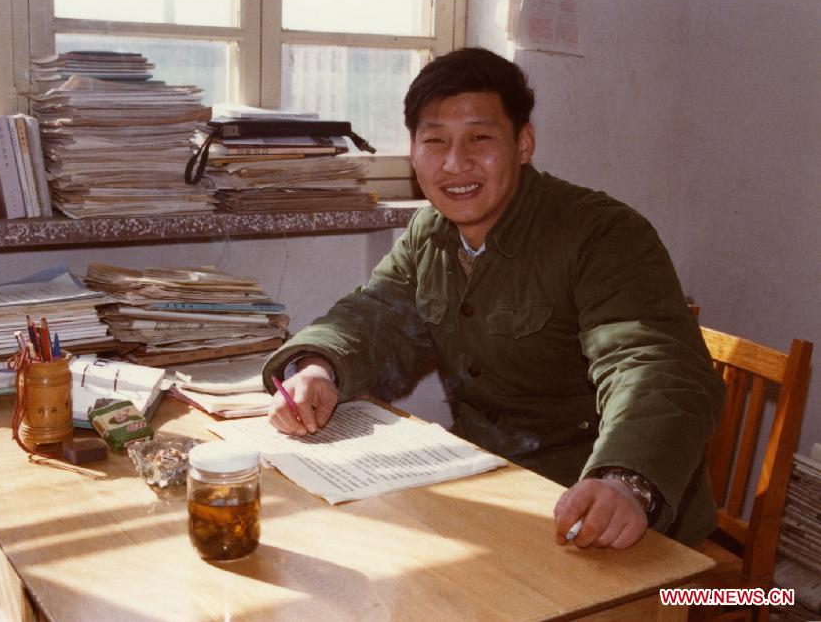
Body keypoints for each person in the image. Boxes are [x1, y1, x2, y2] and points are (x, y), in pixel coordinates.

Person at [261, 47, 724, 550]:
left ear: (523, 143)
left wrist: (625, 480)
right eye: (435, 141)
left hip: (599, 510)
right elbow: (377, 314)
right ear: (413, 150)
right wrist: (314, 368)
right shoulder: (430, 230)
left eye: (480, 139)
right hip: (492, 483)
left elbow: (649, 363)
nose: (456, 164)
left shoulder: (603, 234)